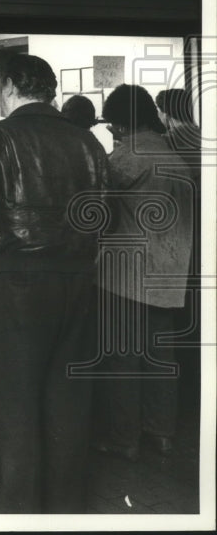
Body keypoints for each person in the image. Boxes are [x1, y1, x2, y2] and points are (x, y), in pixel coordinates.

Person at [0, 53, 109, 514]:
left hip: (17, 281)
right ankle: (67, 508)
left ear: (11, 89)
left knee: (15, 400)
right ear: (49, 89)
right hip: (79, 281)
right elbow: (106, 215)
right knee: (68, 398)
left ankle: (20, 510)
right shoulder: (87, 141)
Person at [93, 85, 194, 461]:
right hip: (169, 274)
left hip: (125, 274)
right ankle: (162, 432)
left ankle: (124, 439)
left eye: (113, 125)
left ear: (123, 122)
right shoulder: (175, 155)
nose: (113, 133)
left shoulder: (125, 158)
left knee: (122, 357)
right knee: (160, 357)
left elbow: (97, 211)